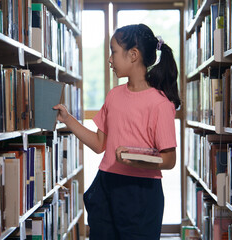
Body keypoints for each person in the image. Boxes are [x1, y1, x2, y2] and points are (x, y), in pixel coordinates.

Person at [53, 23, 180, 240]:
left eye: (113, 51)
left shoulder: (160, 103)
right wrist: (67, 120)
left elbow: (169, 160)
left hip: (142, 193)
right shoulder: (114, 95)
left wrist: (135, 160)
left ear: (133, 55)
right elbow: (99, 144)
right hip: (106, 186)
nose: (109, 59)